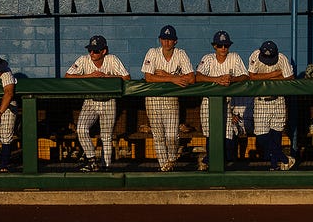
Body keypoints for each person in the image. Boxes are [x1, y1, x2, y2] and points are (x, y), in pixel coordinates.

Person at [65, 35, 131, 172]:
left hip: (108, 101)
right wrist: (89, 76)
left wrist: (107, 77)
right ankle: (91, 160)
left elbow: (127, 78)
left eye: (96, 50)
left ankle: (106, 166)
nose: (92, 53)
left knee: (106, 136)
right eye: (90, 50)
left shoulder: (112, 59)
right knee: (81, 129)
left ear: (104, 51)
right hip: (90, 101)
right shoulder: (84, 60)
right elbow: (68, 76)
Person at [140, 25, 195, 172]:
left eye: (170, 39)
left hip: (171, 100)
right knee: (158, 137)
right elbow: (148, 77)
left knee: (172, 136)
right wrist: (171, 78)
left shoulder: (180, 54)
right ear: (160, 40)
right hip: (153, 99)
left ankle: (171, 160)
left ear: (175, 41)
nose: (167, 42)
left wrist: (165, 75)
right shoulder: (152, 52)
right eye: (164, 39)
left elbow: (191, 78)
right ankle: (164, 167)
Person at [194, 31, 249, 170]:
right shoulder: (208, 58)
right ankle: (209, 162)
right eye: (220, 45)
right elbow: (198, 77)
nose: (223, 48)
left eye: (226, 45)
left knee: (228, 136)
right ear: (214, 46)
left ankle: (224, 164)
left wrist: (232, 79)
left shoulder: (234, 57)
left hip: (230, 103)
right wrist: (217, 79)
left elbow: (245, 76)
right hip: (209, 102)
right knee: (211, 134)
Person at [247, 40, 296, 171]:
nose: (268, 60)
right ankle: (285, 159)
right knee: (261, 136)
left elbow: (290, 78)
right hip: (261, 101)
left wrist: (263, 78)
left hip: (278, 100)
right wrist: (275, 74)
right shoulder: (255, 56)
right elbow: (251, 76)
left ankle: (274, 166)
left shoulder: (281, 58)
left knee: (276, 136)